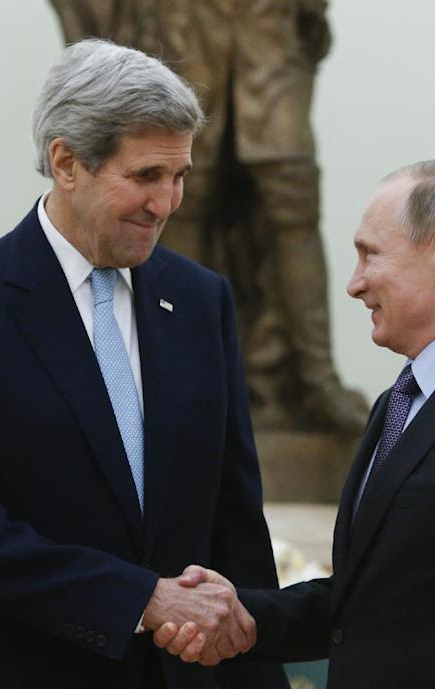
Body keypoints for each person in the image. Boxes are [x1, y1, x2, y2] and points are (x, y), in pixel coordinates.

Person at [0, 39, 289, 689]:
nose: (166, 202)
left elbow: (235, 522)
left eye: (179, 176)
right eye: (145, 176)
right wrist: (140, 598)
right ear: (66, 162)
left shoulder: (201, 301)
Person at [157, 159, 435, 688]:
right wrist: (244, 616)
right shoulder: (398, 402)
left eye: (369, 254)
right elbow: (367, 605)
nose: (354, 284)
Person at [47, 0, 369, 432]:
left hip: (271, 40)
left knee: (292, 201)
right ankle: (176, 377)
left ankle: (316, 377)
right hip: (183, 34)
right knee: (181, 203)